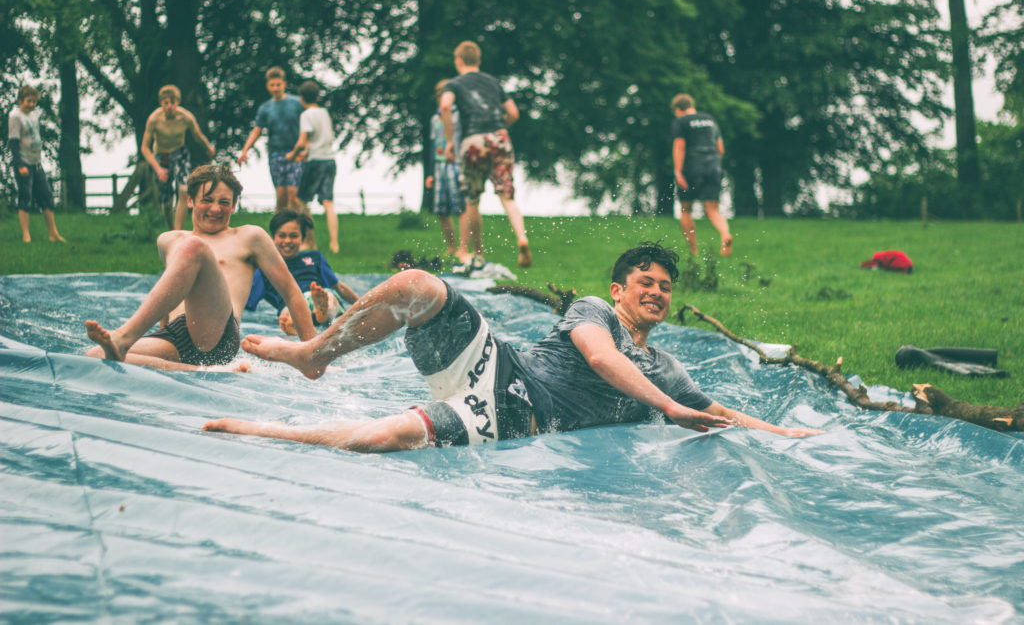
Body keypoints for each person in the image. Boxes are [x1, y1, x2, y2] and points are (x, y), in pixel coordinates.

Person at [204, 242, 822, 451]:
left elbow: (717, 411)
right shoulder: (594, 310)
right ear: (619, 289)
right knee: (419, 284)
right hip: (500, 367)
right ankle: (317, 351)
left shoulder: (667, 366)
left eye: (665, 288)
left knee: (384, 439)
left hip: (521, 416)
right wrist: (673, 409)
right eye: (646, 284)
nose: (657, 294)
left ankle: (259, 431)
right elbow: (602, 359)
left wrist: (782, 434)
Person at [85, 164, 316, 371]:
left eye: (224, 202)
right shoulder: (168, 240)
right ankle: (200, 370)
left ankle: (123, 337)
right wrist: (160, 330)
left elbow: (291, 292)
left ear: (234, 205)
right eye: (207, 200)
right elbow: (172, 291)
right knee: (95, 355)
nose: (215, 209)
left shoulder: (250, 237)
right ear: (190, 200)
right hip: (175, 334)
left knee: (194, 247)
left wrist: (311, 354)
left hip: (217, 336)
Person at [440, 40, 532, 269]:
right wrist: (502, 128)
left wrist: (450, 141)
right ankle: (522, 238)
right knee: (507, 196)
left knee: (472, 200)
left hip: (473, 140)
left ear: (458, 61)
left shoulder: (454, 84)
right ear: (479, 61)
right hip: (499, 137)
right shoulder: (493, 83)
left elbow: (444, 106)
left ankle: (478, 253)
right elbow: (513, 112)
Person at [246, 209, 358, 336]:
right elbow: (246, 298)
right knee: (287, 312)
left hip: (317, 295)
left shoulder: (314, 257)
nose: (287, 241)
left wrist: (361, 303)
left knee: (329, 299)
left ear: (303, 239)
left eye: (293, 236)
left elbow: (338, 286)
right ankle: (305, 321)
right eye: (282, 236)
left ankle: (317, 314)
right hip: (290, 305)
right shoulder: (265, 269)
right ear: (273, 238)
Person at [140, 84, 216, 230]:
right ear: (161, 103)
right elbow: (144, 148)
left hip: (180, 153)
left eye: (172, 102)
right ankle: (171, 230)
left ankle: (178, 230)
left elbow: (197, 135)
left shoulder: (186, 117)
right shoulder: (154, 119)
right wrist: (158, 169)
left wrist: (208, 147)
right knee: (167, 201)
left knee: (183, 189)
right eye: (165, 103)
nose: (169, 106)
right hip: (161, 157)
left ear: (177, 102)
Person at [238, 66, 305, 215]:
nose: (275, 88)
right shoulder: (265, 109)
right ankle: (277, 235)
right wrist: (245, 150)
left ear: (284, 84)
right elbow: (257, 130)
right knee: (281, 199)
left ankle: (301, 232)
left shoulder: (297, 103)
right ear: (268, 86)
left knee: (294, 198)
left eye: (278, 85)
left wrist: (307, 148)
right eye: (272, 85)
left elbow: (308, 126)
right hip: (275, 154)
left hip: (296, 154)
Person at [671, 94, 732, 257]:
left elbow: (679, 146)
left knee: (686, 209)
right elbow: (721, 149)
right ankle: (725, 234)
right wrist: (715, 166)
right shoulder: (709, 119)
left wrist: (678, 171)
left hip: (692, 167)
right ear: (691, 105)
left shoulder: (680, 122)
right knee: (712, 210)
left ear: (678, 110)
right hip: (713, 166)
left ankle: (694, 251)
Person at [7, 85, 65, 243]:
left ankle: (53, 233)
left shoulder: (34, 115)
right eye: (28, 101)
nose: (32, 104)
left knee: (46, 196)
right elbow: (13, 142)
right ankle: (26, 235)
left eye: (34, 102)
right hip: (24, 163)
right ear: (20, 100)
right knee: (26, 198)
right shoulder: (15, 117)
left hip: (36, 163)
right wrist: (20, 165)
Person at [286, 80, 337, 253]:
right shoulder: (324, 112)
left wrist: (292, 155)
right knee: (328, 202)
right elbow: (320, 138)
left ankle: (309, 241)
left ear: (301, 98)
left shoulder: (306, 115)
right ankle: (334, 244)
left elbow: (302, 141)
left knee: (300, 200)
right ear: (318, 96)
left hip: (315, 161)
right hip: (329, 159)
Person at [427, 79, 469, 259]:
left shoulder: (460, 115)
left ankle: (464, 247)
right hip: (439, 164)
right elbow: (432, 144)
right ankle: (451, 246)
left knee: (461, 206)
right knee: (441, 209)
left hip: (456, 163)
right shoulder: (435, 118)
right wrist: (430, 172)